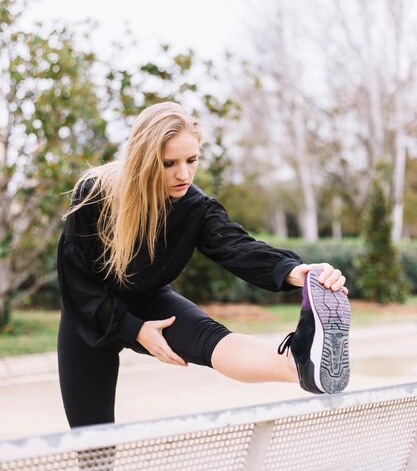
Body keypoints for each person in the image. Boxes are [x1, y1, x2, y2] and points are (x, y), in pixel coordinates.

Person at [57, 101, 350, 430]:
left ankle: (299, 365)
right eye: (169, 163)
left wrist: (295, 271)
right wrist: (135, 330)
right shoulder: (96, 193)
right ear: (144, 159)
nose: (183, 174)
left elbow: (235, 244)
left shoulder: (195, 207)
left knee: (212, 339)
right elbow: (77, 283)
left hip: (150, 301)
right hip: (88, 315)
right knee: (94, 444)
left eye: (191, 160)